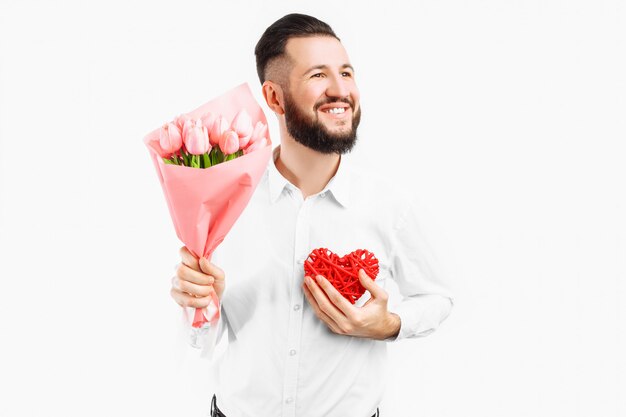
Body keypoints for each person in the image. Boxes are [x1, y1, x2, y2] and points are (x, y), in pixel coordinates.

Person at [170, 13, 454, 417]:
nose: (341, 91)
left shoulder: (390, 205)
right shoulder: (224, 204)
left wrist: (388, 324)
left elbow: (438, 297)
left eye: (347, 73)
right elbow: (203, 341)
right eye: (318, 76)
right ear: (274, 98)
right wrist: (198, 306)